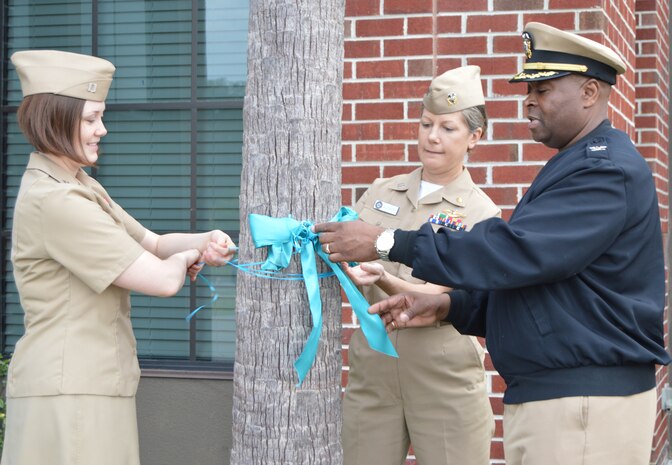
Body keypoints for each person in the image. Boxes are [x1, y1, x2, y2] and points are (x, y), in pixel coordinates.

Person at [315, 22, 672, 465]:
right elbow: (539, 287)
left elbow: (515, 253)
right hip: (560, 400)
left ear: (590, 92)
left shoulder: (603, 170)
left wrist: (389, 242)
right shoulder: (575, 165)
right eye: (528, 89)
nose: (529, 101)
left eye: (543, 89)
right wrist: (448, 307)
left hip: (582, 404)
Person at [2, 50, 236, 465]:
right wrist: (184, 260)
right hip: (71, 387)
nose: (102, 130)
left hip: (86, 382)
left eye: (101, 117)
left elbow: (153, 243)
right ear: (55, 118)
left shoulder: (78, 184)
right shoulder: (58, 200)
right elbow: (162, 279)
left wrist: (205, 241)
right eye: (91, 119)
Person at [340, 65, 498, 465]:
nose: (432, 136)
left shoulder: (481, 212)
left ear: (474, 137)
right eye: (427, 123)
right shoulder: (380, 192)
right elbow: (343, 263)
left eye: (448, 128)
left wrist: (383, 277)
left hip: (442, 378)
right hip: (374, 373)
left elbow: (449, 297)